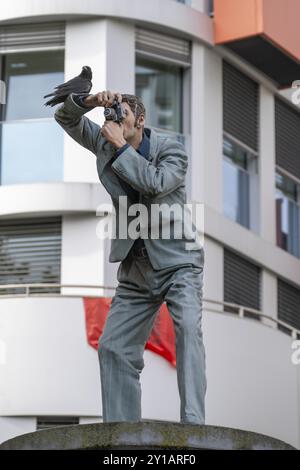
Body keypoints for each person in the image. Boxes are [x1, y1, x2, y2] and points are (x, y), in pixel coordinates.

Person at [54, 90, 206, 424]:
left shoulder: (172, 150)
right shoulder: (106, 142)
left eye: (121, 115)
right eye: (111, 116)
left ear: (139, 120)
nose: (114, 122)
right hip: (136, 269)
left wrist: (122, 146)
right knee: (113, 347)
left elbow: (155, 183)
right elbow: (65, 118)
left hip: (179, 262)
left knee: (188, 332)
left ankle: (194, 427)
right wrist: (89, 103)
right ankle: (121, 435)